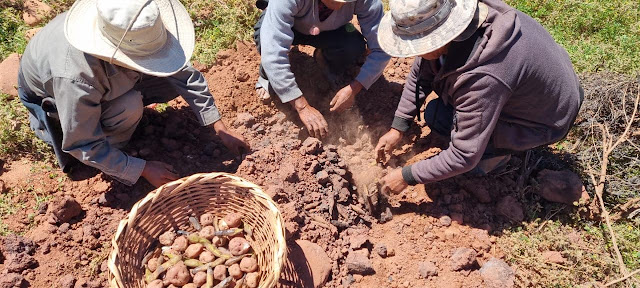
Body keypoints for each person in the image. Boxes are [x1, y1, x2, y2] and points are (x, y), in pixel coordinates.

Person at [18, 0, 249, 187]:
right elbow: (82, 143)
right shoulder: (76, 77)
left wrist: (219, 127)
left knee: (168, 78)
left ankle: (120, 119)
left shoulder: (136, 27)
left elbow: (182, 74)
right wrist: (142, 168)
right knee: (127, 106)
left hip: (98, 78)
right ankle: (116, 147)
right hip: (58, 99)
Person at [374, 0, 583, 199]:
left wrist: (406, 176)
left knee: (441, 119)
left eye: (414, 45)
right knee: (438, 111)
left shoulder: (484, 78)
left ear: (437, 39)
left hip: (547, 120)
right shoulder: (470, 18)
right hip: (544, 90)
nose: (410, 53)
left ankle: (497, 157)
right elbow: (422, 69)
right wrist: (398, 127)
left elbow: (464, 155)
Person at [253, 0, 391, 138]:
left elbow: (382, 48)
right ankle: (266, 75)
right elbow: (273, 54)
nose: (340, 5)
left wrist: (355, 87)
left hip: (329, 30)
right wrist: (302, 107)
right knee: (265, 41)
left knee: (353, 46)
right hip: (290, 24)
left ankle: (325, 60)